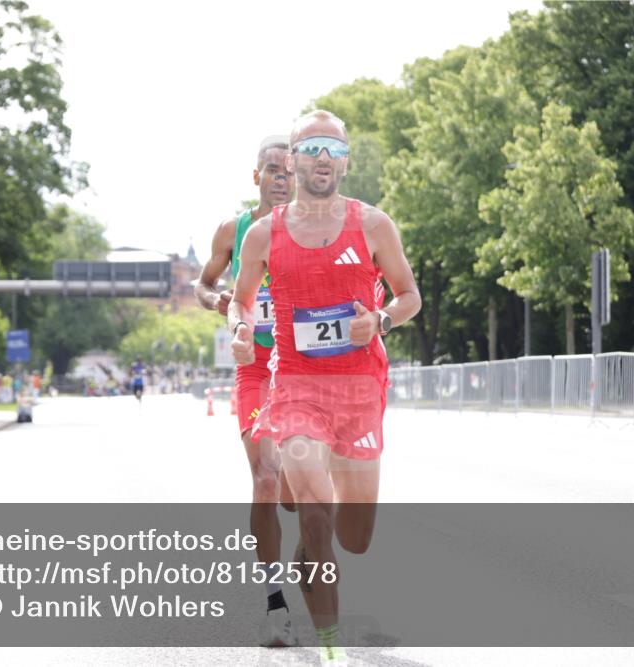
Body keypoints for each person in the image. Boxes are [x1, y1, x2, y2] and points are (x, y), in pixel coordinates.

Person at [229, 110, 421, 665]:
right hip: (294, 385)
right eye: (309, 146)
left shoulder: (374, 225)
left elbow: (410, 296)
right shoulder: (265, 234)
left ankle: (312, 556)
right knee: (315, 516)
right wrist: (241, 330)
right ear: (293, 158)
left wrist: (380, 320)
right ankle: (330, 649)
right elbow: (241, 301)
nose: (320, 156)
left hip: (360, 388)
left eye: (331, 148)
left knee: (355, 537)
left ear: (345, 160)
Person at [195, 137, 299, 647]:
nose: (282, 177)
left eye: (289, 170)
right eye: (273, 170)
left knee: (294, 496)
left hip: (301, 369)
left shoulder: (311, 229)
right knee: (263, 478)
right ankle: (274, 603)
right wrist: (222, 304)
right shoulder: (233, 230)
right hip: (255, 366)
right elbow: (203, 282)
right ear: (255, 176)